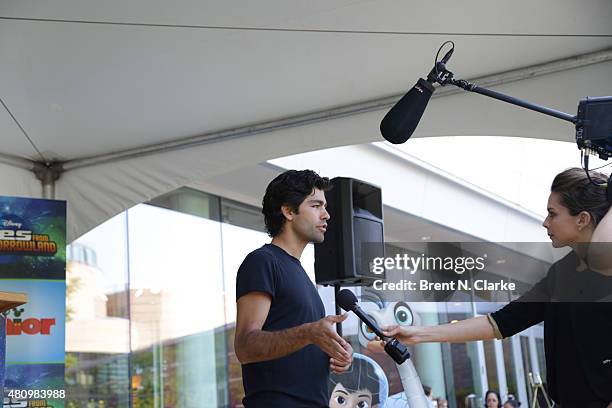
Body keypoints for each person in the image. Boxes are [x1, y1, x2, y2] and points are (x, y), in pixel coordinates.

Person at [370, 168, 612, 408]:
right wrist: (417, 334)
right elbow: (498, 322)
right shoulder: (561, 274)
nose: (545, 222)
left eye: (552, 214)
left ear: (582, 219)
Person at [234, 169, 354, 407]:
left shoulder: (299, 272)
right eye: (316, 205)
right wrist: (309, 332)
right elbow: (245, 347)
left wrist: (335, 351)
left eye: (325, 206)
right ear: (288, 211)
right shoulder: (262, 261)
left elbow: (302, 340)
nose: (326, 215)